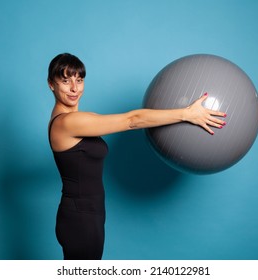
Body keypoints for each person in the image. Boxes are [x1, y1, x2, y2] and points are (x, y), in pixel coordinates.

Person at [47, 53, 226, 260]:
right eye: (65, 80)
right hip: (80, 218)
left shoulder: (76, 119)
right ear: (52, 84)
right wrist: (186, 114)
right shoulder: (67, 123)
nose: (74, 88)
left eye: (79, 80)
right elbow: (131, 120)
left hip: (86, 214)